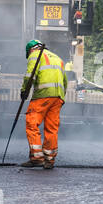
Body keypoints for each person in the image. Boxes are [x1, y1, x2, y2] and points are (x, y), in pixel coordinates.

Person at [20, 40, 67, 169]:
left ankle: (36, 158)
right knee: (51, 128)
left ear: (30, 50)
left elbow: (30, 76)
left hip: (43, 95)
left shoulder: (35, 55)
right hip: (57, 97)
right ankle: (49, 160)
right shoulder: (57, 58)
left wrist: (24, 91)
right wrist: (62, 98)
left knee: (32, 123)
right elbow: (65, 81)